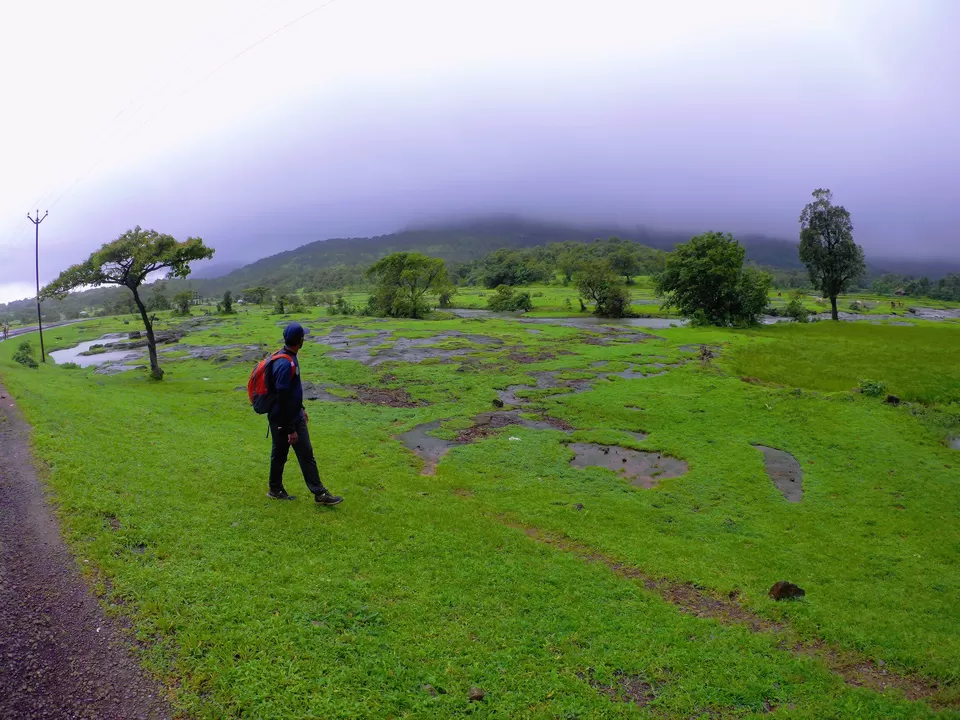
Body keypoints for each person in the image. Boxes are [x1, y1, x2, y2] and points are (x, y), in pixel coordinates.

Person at [267, 322, 343, 506]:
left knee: (280, 454)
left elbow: (290, 393)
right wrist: (291, 428)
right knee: (305, 453)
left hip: (280, 416)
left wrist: (301, 407)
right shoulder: (286, 363)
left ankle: (275, 489)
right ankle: (320, 493)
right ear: (300, 340)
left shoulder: (284, 356)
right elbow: (282, 397)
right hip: (287, 419)